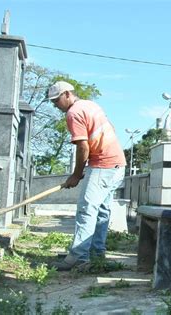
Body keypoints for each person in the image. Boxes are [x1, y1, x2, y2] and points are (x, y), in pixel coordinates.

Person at [46, 81, 126, 271]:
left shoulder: (73, 114)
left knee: (86, 210)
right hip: (117, 164)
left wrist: (76, 174)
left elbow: (83, 147)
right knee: (101, 211)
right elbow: (111, 128)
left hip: (102, 165)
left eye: (56, 100)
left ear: (67, 94)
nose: (55, 105)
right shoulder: (91, 105)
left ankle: (80, 257)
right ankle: (96, 254)